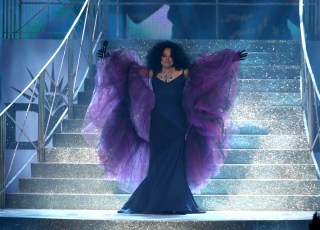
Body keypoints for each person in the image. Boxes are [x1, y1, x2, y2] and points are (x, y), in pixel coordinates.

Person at [83, 40, 247, 214]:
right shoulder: (152, 73)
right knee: (157, 163)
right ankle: (152, 202)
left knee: (176, 163)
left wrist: (231, 58)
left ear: (175, 58)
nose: (167, 59)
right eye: (164, 56)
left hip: (178, 123)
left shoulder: (184, 72)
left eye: (170, 56)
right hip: (158, 123)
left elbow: (209, 69)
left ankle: (176, 202)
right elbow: (125, 69)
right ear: (158, 58)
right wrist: (107, 57)